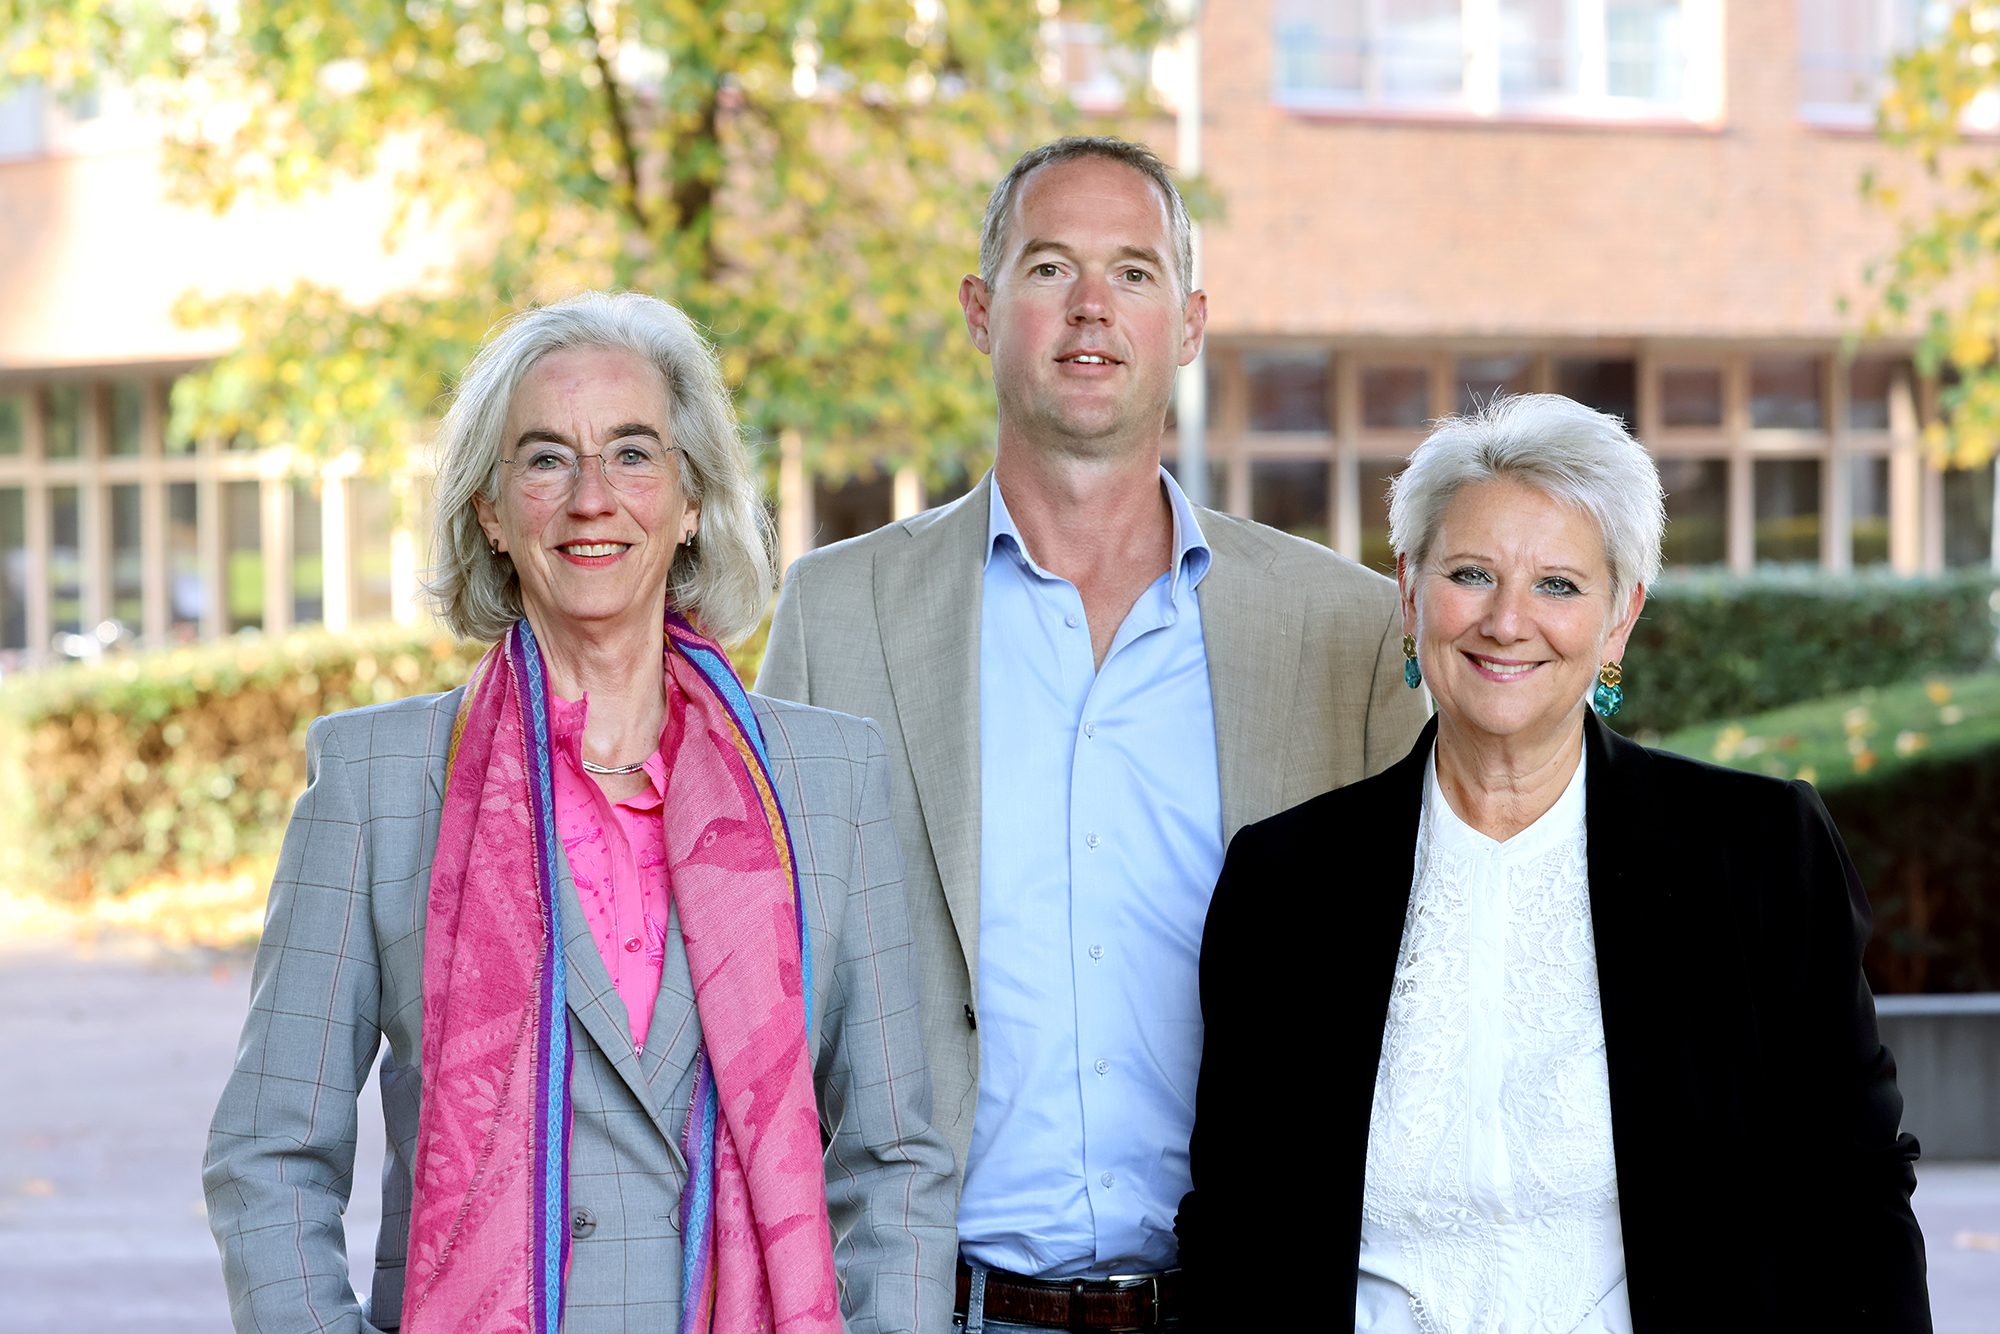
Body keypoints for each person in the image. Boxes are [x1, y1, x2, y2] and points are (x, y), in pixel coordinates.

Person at [756, 137, 1428, 1331]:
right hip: (936, 1304)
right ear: (979, 310)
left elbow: (1417, 986)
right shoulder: (838, 613)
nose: (1089, 307)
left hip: (1243, 1306)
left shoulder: (1342, 628)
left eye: (1131, 271)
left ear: (1188, 323)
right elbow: (767, 987)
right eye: (1047, 266)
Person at [204, 291, 957, 1334]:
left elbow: (895, 1160)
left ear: (691, 501)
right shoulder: (379, 781)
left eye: (633, 454)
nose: (591, 497)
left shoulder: (829, 780)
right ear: (490, 511)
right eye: (546, 458)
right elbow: (269, 1156)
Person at [1177, 393, 1931, 1332]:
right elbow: (1234, 1228)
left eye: (1559, 585)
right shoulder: (1285, 879)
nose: (1507, 621)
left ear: (1620, 618)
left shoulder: (1760, 853)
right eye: (1471, 574)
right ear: (1409, 592)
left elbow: (1858, 1192)